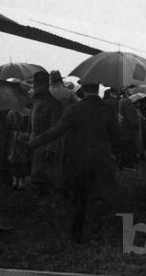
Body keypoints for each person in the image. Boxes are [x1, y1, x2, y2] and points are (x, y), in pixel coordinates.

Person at [27, 82, 120, 243]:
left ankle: (75, 234)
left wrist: (33, 143)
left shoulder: (73, 110)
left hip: (77, 159)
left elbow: (54, 132)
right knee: (98, 197)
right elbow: (117, 137)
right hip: (101, 159)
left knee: (77, 197)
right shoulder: (108, 110)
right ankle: (95, 235)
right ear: (98, 89)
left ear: (82, 89)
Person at [28, 70, 64, 196]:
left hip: (46, 146)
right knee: (38, 178)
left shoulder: (54, 104)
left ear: (43, 84)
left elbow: (56, 129)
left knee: (46, 179)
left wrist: (51, 148)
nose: (33, 86)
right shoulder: (35, 101)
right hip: (36, 144)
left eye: (35, 83)